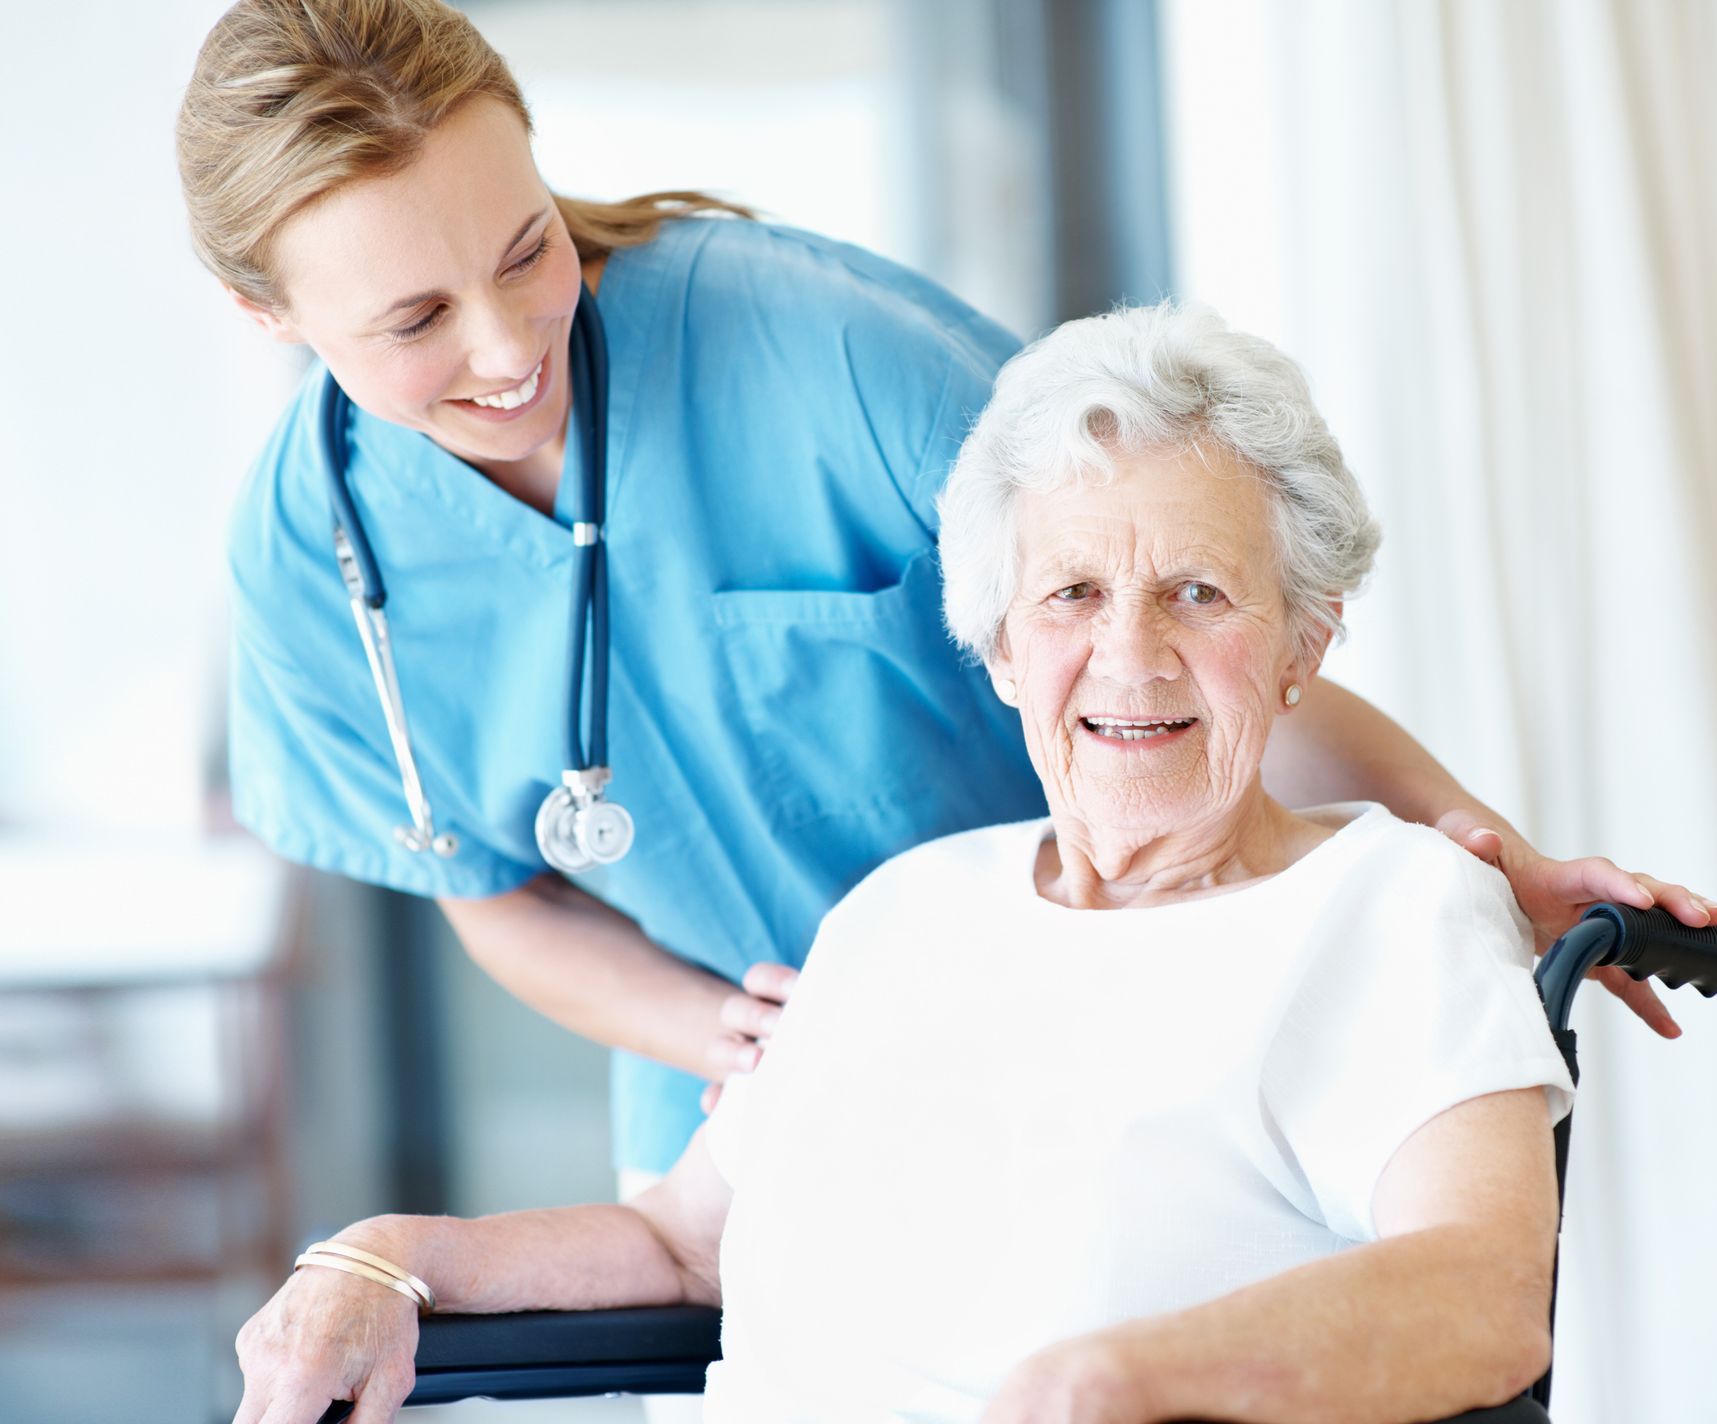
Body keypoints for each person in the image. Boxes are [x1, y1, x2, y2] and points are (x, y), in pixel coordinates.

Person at [179, 0, 1717, 1195]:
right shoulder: (309, 567)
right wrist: (720, 1035)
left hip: (1102, 1006)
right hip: (748, 1112)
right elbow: (493, 895)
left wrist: (1483, 857)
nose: (510, 342)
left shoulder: (820, 350)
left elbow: (1185, 654)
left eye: (528, 249)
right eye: (414, 321)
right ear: (267, 315)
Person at [234, 304, 1580, 1424]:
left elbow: (1480, 1291)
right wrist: (394, 1256)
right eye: (1071, 596)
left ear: (1305, 640)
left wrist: (1114, 1379)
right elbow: (679, 1245)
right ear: (999, 651)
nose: (1130, 655)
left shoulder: (1389, 909)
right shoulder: (905, 908)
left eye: (1200, 592)